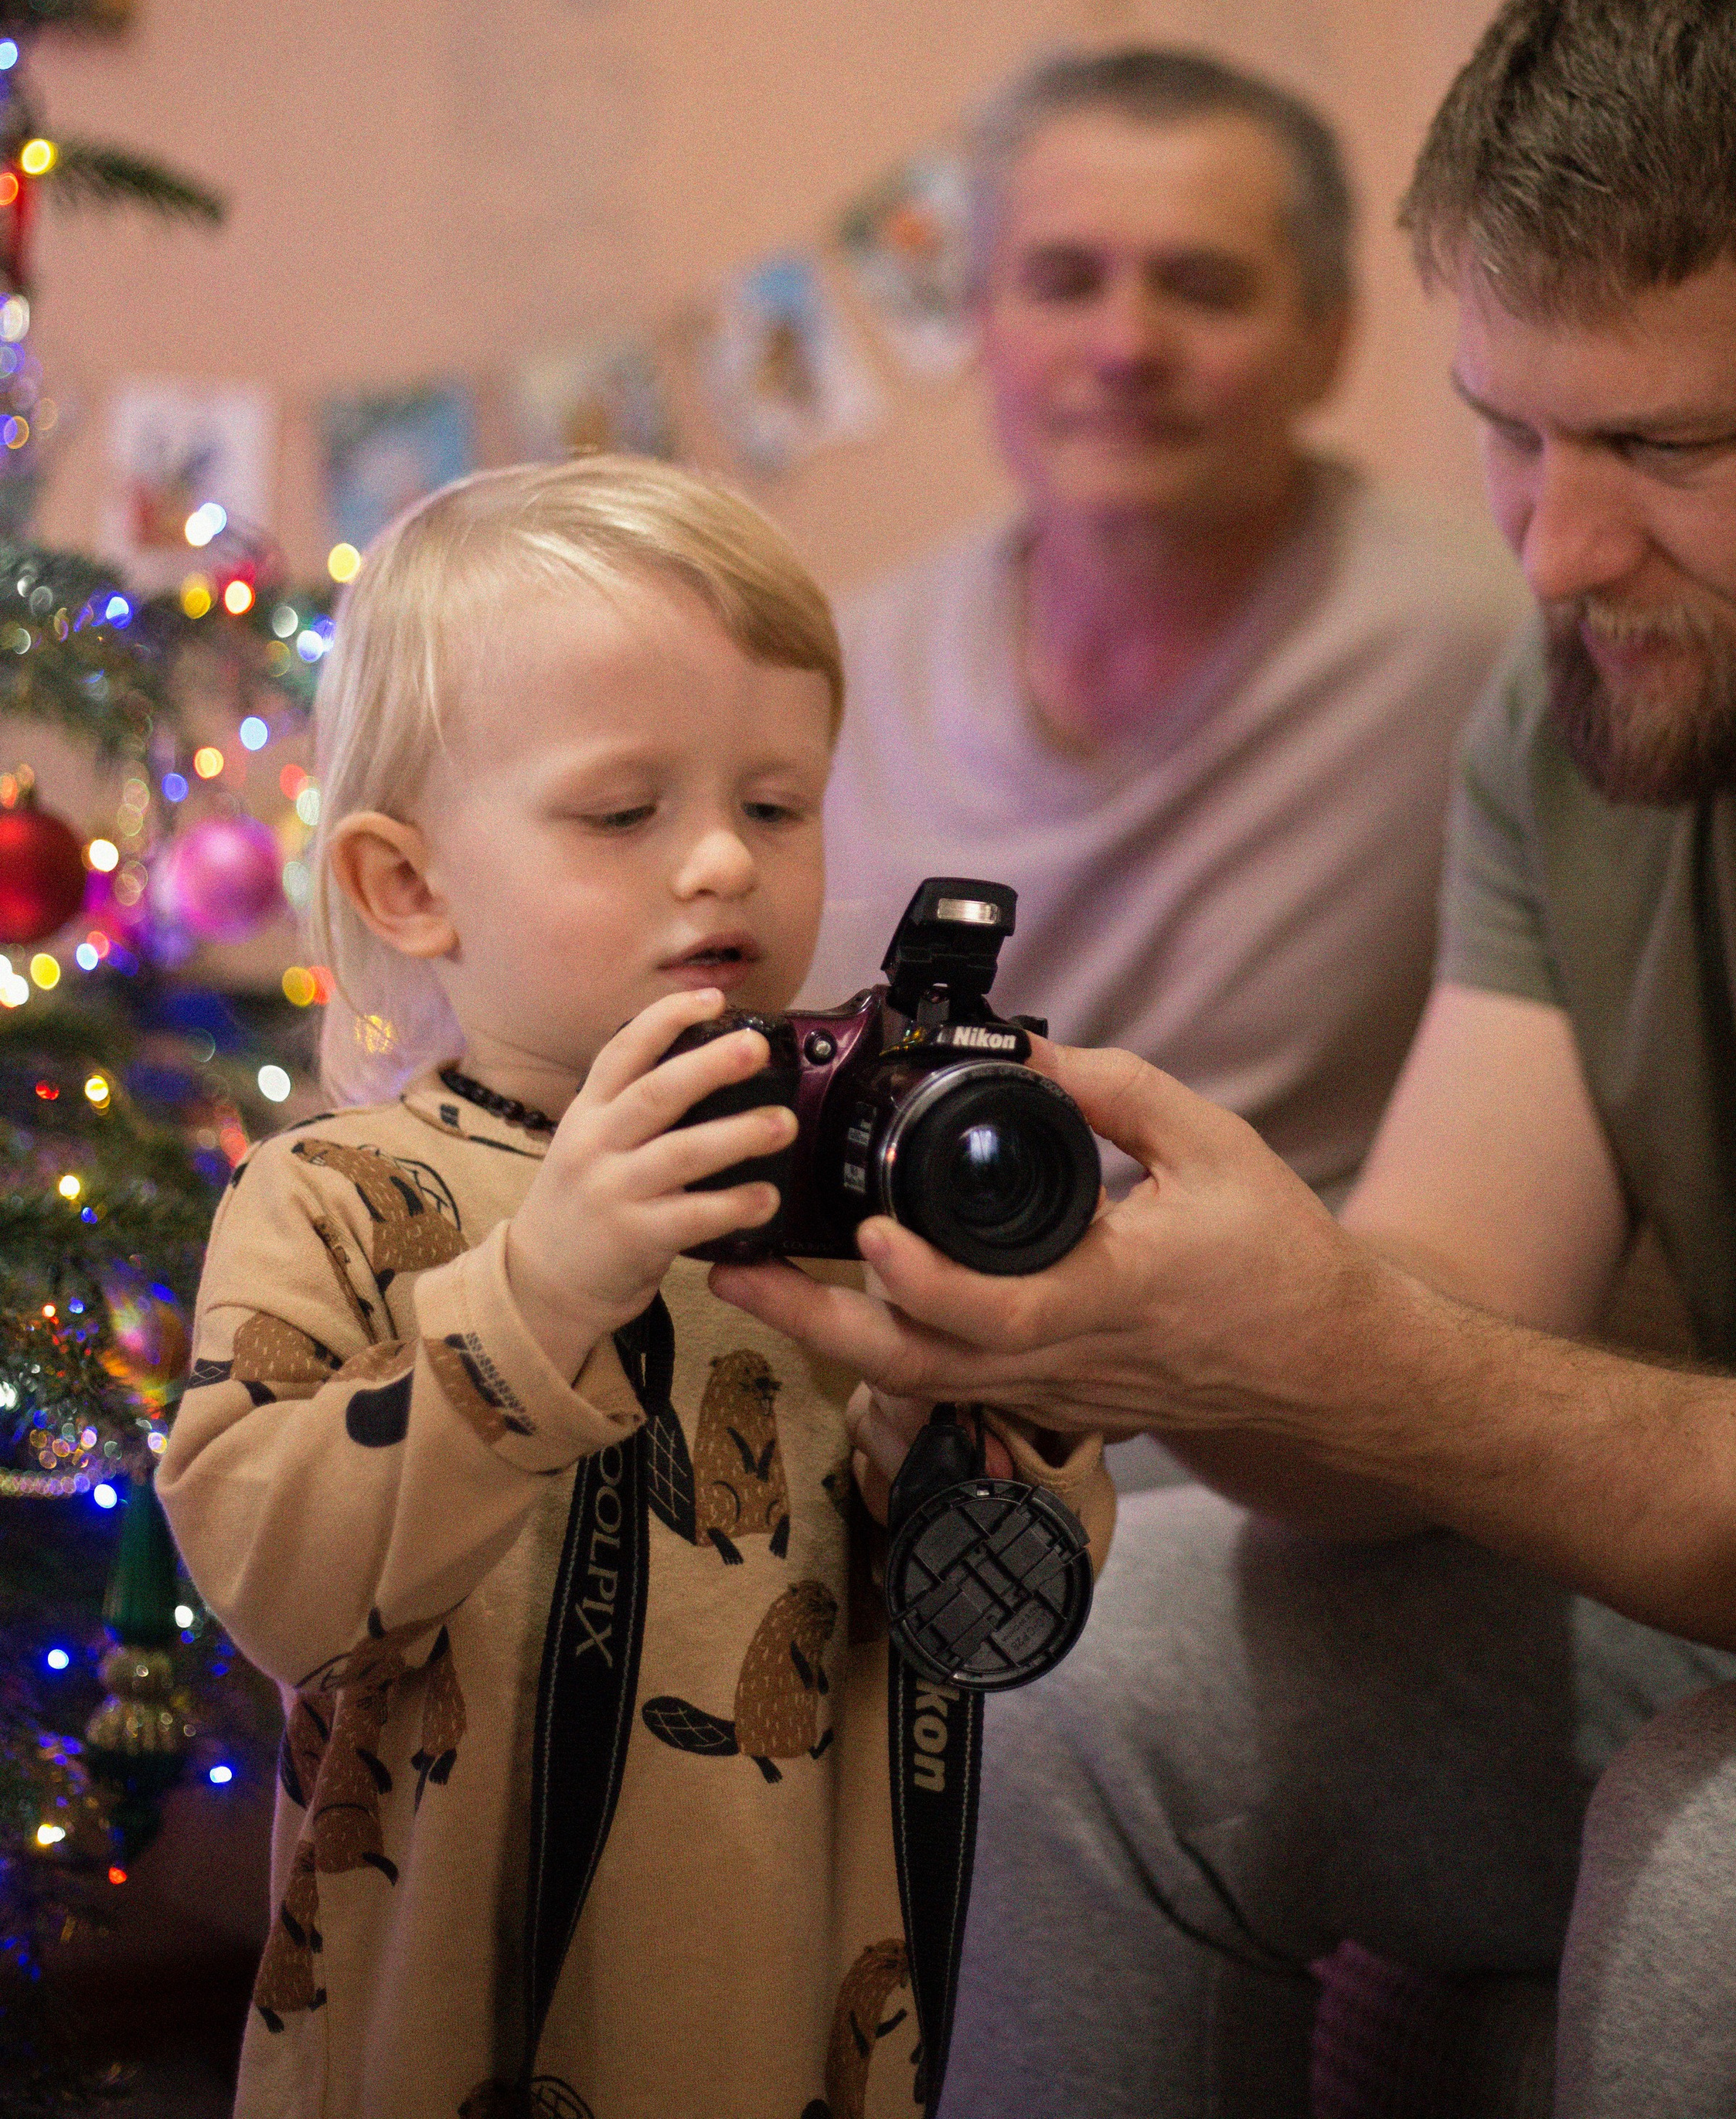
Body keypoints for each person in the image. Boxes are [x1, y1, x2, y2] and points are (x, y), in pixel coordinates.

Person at [722, 0, 1736, 2116]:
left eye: (1672, 451)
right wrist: (1136, 1316)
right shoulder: (1585, 697)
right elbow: (1435, 1314)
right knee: (1086, 1678)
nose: (1558, 551)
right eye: (1513, 427)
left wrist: (1353, 1343)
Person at [157, 457, 1111, 2119]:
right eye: (624, 814)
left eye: (772, 805)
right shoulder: (342, 1198)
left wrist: (963, 1403)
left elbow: (1015, 1588)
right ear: (408, 886)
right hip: (444, 2042)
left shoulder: (833, 1190)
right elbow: (272, 1575)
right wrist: (539, 1289)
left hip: (793, 2027)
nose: (722, 870)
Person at [815, 45, 1523, 1200]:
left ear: (1330, 338)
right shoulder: (840, 673)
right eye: (1062, 281)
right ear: (978, 321)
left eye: (1203, 287)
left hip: (1282, 1357)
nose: (1126, 349)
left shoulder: (1486, 653)